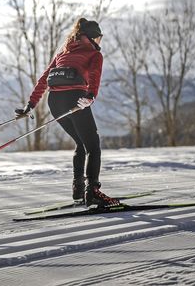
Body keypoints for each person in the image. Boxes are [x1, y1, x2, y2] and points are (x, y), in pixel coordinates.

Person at [15, 17, 120, 208]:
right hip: (76, 99)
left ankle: (78, 190)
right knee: (93, 145)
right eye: (100, 37)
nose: (100, 41)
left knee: (81, 142)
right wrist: (90, 97)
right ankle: (93, 192)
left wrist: (30, 105)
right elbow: (95, 76)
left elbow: (44, 79)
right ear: (93, 37)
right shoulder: (94, 54)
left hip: (54, 102)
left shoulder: (63, 52)